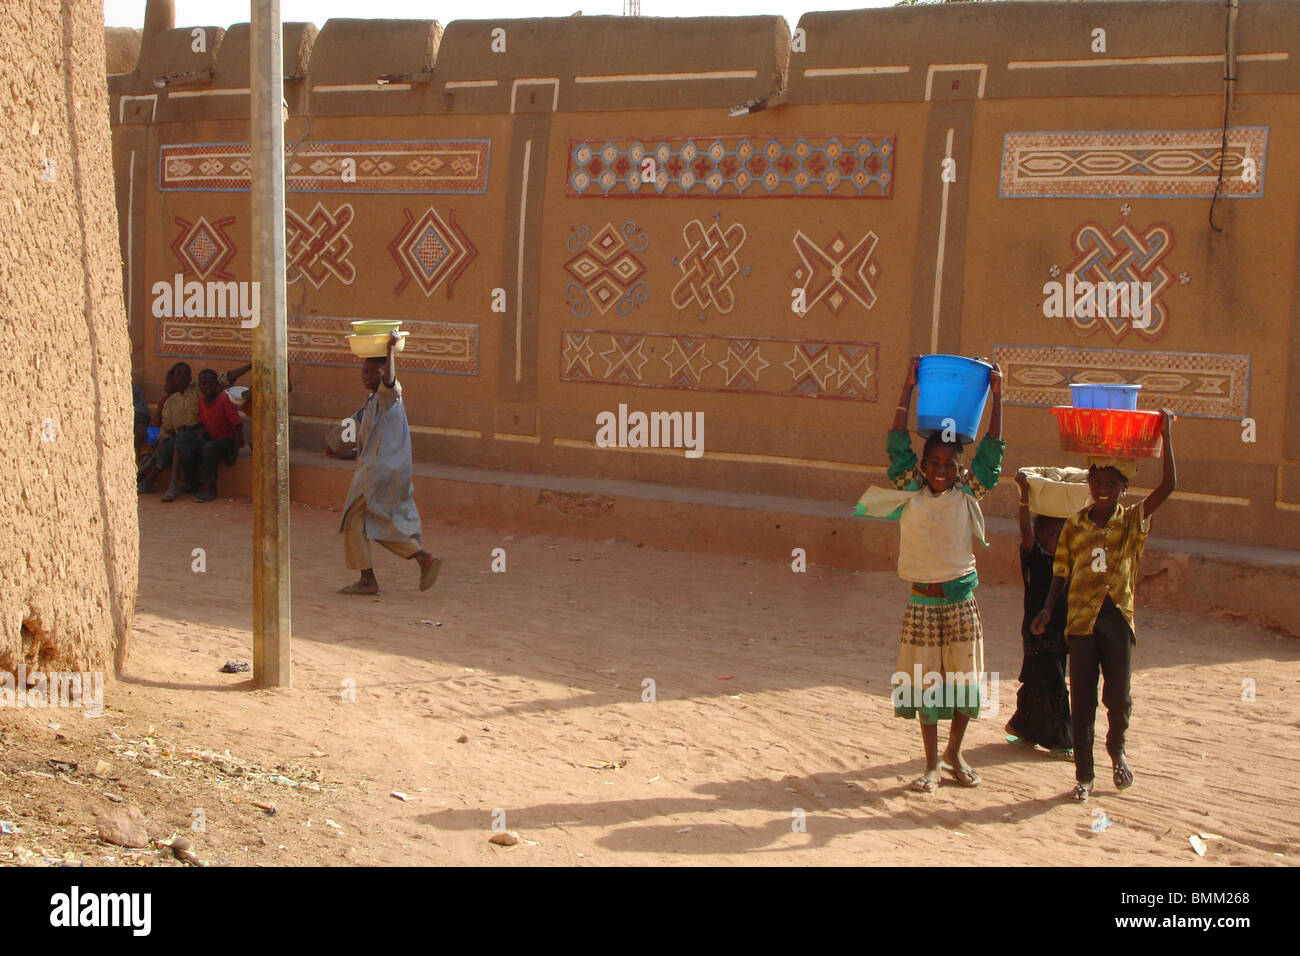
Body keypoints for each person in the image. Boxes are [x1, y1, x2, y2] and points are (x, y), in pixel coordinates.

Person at [855, 355, 1003, 793]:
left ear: (960, 468)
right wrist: (908, 384)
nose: (941, 470)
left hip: (960, 601)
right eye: (934, 463)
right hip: (922, 602)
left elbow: (993, 454)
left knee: (963, 684)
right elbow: (896, 439)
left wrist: (999, 396)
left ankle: (954, 752)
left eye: (949, 464)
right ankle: (931, 764)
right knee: (927, 688)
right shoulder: (909, 490)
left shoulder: (967, 494)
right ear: (923, 466)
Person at [1032, 409, 1177, 803]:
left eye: (1112, 483)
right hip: (1080, 622)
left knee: (1118, 697)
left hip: (1116, 619)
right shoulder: (1076, 525)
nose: (1103, 488)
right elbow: (1061, 569)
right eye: (1097, 481)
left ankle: (1117, 750)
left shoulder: (1131, 522)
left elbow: (1168, 486)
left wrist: (1167, 435)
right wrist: (1047, 609)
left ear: (1123, 488)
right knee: (1082, 699)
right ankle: (1084, 775)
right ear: (1089, 483)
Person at [339, 330, 441, 595]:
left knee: (354, 519)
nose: (367, 376)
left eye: (373, 372)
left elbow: (391, 381)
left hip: (378, 471)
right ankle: (421, 558)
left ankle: (369, 579)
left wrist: (391, 350)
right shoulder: (373, 402)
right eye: (365, 371)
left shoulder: (389, 396)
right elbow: (366, 436)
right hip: (380, 468)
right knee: (370, 522)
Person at [1004, 470, 1073, 757]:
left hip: (1060, 632)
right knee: (1052, 683)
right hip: (1037, 631)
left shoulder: (1068, 562)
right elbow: (1024, 531)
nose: (1061, 539)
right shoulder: (1035, 556)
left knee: (1037, 679)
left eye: (1064, 533)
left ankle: (1023, 728)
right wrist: (1024, 497)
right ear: (1041, 536)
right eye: (1055, 534)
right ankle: (1061, 740)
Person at [138, 361, 250, 497]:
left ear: (191, 378)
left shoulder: (199, 389)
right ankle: (153, 480)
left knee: (186, 441)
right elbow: (166, 429)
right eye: (179, 374)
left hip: (202, 436)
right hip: (183, 438)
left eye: (186, 374)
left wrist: (251, 365)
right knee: (171, 444)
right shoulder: (170, 403)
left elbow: (227, 377)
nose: (183, 377)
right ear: (172, 378)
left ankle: (172, 485)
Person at [194, 369, 245, 503]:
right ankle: (192, 483)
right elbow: (205, 421)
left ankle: (211, 489)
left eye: (211, 383)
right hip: (213, 437)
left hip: (227, 441)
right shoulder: (201, 401)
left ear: (216, 383)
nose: (208, 387)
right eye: (204, 384)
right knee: (192, 445)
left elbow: (238, 425)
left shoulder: (224, 400)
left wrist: (235, 452)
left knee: (209, 448)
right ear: (200, 385)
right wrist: (189, 428)